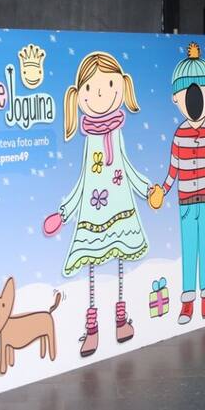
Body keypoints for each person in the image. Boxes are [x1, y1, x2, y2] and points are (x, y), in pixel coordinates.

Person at [44, 51, 151, 357]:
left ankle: (121, 320)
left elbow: (124, 167)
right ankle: (92, 330)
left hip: (120, 209)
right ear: (80, 96)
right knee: (92, 269)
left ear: (121, 85)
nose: (101, 94)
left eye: (108, 85)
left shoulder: (116, 133)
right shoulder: (91, 137)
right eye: (91, 88)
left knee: (119, 266)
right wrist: (64, 213)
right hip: (93, 212)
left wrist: (146, 189)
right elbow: (85, 180)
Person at [148, 42, 205, 325]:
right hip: (185, 202)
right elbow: (173, 169)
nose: (195, 101)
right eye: (189, 94)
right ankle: (187, 303)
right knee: (189, 249)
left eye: (201, 93)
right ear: (176, 99)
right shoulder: (179, 135)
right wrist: (162, 191)